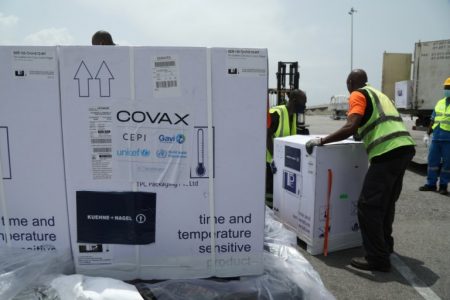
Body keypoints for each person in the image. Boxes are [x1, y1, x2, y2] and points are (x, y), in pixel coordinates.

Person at [305, 69, 416, 272]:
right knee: (385, 203)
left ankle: (377, 259)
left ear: (350, 82)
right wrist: (360, 133)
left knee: (368, 206)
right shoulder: (379, 94)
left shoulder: (357, 94)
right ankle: (385, 246)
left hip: (387, 152)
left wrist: (321, 140)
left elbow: (350, 125)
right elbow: (373, 122)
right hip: (404, 148)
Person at [266, 89, 307, 200]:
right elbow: (266, 135)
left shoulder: (292, 117)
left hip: (283, 163)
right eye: (303, 103)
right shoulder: (276, 113)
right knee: (270, 195)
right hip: (270, 163)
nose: (304, 106)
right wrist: (275, 158)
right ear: (294, 101)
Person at [419, 77, 450, 196]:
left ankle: (443, 186)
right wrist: (427, 134)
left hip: (448, 140)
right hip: (436, 138)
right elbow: (432, 120)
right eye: (446, 87)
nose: (447, 90)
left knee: (447, 164)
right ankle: (431, 184)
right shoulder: (440, 102)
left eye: (449, 88)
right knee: (432, 162)